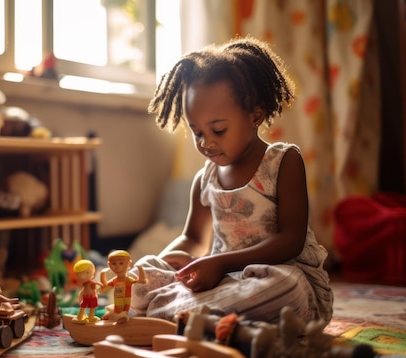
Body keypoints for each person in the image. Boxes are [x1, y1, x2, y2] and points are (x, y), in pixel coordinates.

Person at [131, 36, 333, 325]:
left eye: (219, 130)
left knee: (285, 288)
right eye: (197, 132)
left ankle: (175, 313)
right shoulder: (205, 179)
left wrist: (220, 263)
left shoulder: (283, 162)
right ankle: (205, 318)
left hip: (280, 278)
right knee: (142, 271)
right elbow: (193, 239)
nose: (207, 143)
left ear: (255, 115)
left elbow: (291, 241)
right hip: (225, 282)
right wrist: (166, 265)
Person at [100, 250, 146, 322]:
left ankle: (122, 318)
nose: (117, 267)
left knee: (123, 314)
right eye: (114, 264)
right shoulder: (115, 280)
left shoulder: (128, 280)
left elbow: (142, 281)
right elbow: (104, 287)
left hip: (126, 306)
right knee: (107, 316)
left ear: (129, 264)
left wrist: (140, 269)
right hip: (117, 305)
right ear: (109, 265)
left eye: (121, 263)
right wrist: (102, 274)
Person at [72, 259, 102, 324]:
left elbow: (98, 284)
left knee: (92, 308)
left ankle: (91, 317)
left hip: (93, 297)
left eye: (87, 272)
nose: (82, 276)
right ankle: (79, 318)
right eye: (79, 274)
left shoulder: (91, 282)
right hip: (86, 297)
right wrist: (80, 295)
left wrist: (101, 286)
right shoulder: (84, 284)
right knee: (82, 307)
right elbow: (83, 290)